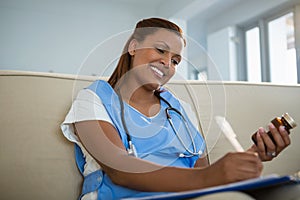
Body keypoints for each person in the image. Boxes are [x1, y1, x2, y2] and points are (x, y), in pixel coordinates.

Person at [61, 18, 291, 199]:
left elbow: (203, 172)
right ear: (133, 47)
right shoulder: (92, 100)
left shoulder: (180, 109)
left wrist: (254, 156)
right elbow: (120, 169)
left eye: (175, 60)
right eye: (161, 50)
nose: (168, 64)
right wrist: (210, 177)